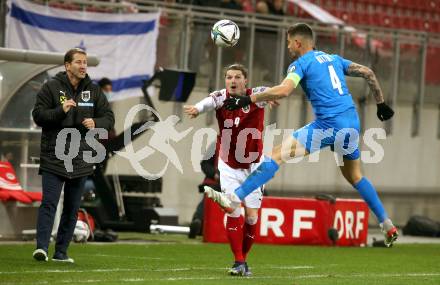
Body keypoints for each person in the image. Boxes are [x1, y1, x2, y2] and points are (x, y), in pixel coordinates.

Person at [205, 23, 399, 247]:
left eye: (289, 42)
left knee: (277, 155)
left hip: (328, 124)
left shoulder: (300, 64)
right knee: (355, 176)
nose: (288, 47)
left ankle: (234, 197)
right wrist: (381, 103)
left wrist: (247, 99)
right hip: (351, 123)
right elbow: (368, 73)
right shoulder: (334, 59)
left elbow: (284, 90)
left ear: (297, 42)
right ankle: (386, 223)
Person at [184, 64, 277, 276]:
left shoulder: (256, 95)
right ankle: (238, 261)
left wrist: (272, 95)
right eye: (228, 77)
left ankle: (243, 261)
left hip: (255, 165)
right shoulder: (220, 97)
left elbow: (271, 90)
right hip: (228, 164)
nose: (232, 81)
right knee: (233, 210)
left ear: (246, 80)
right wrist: (197, 108)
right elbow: (208, 102)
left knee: (251, 217)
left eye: (237, 77)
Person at [32, 48, 115, 263]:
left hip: (82, 158)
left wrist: (96, 123)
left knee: (71, 208)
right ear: (67, 65)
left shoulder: (94, 91)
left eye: (85, 62)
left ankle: (61, 253)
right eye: (78, 62)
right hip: (54, 156)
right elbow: (39, 116)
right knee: (49, 203)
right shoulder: (51, 87)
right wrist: (61, 111)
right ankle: (41, 248)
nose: (83, 66)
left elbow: (109, 118)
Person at [188, 142, 220, 239]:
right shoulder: (216, 145)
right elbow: (205, 164)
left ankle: (198, 221)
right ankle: (197, 222)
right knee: (208, 198)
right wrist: (214, 174)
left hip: (235, 185)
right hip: (216, 183)